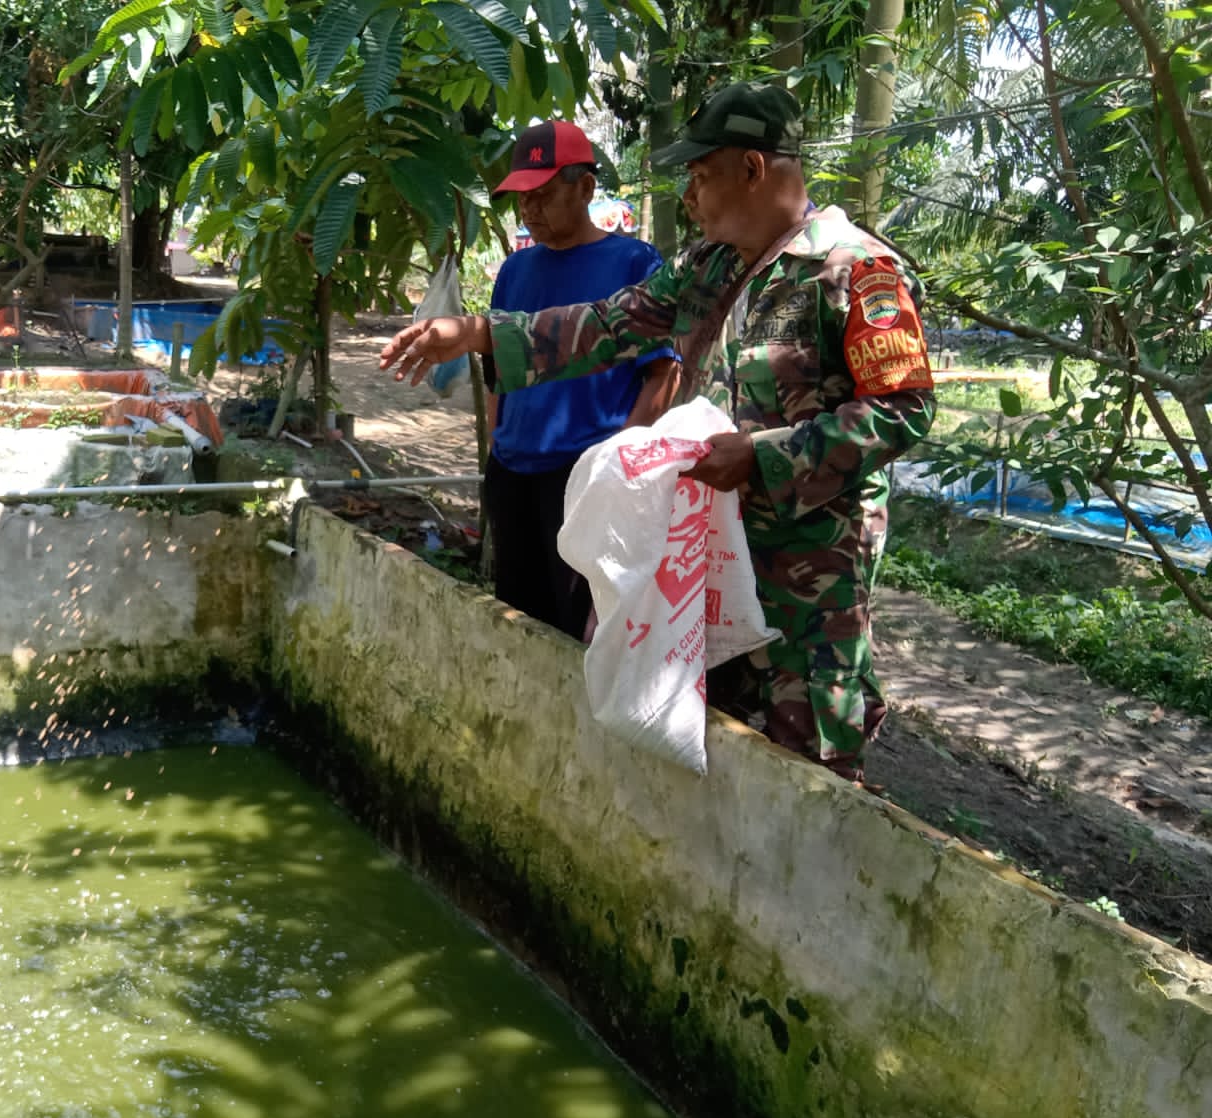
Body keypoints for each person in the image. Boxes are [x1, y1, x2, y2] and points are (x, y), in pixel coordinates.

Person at [378, 82, 936, 783]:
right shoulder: (711, 267)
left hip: (808, 579)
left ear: (753, 169)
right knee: (699, 742)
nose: (692, 198)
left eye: (702, 177)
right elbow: (611, 324)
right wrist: (477, 333)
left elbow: (903, 408)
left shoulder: (856, 271)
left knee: (809, 764)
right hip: (709, 557)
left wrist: (764, 457)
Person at [483, 121, 678, 637]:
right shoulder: (515, 270)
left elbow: (662, 375)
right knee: (518, 617)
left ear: (586, 188)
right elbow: (498, 374)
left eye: (544, 195)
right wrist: (495, 446)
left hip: (585, 474)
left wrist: (618, 468)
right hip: (512, 470)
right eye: (522, 200)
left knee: (581, 626)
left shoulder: (634, 261)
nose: (531, 210)